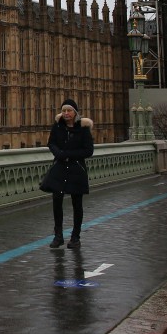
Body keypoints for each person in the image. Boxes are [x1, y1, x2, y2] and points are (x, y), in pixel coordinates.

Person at [39, 99, 94, 249]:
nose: (66, 113)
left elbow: (88, 150)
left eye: (69, 110)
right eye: (64, 111)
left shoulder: (83, 129)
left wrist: (70, 154)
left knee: (77, 204)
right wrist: (60, 154)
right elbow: (51, 143)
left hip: (76, 169)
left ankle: (75, 237)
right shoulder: (57, 127)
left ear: (75, 113)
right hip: (60, 167)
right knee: (57, 201)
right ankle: (58, 236)